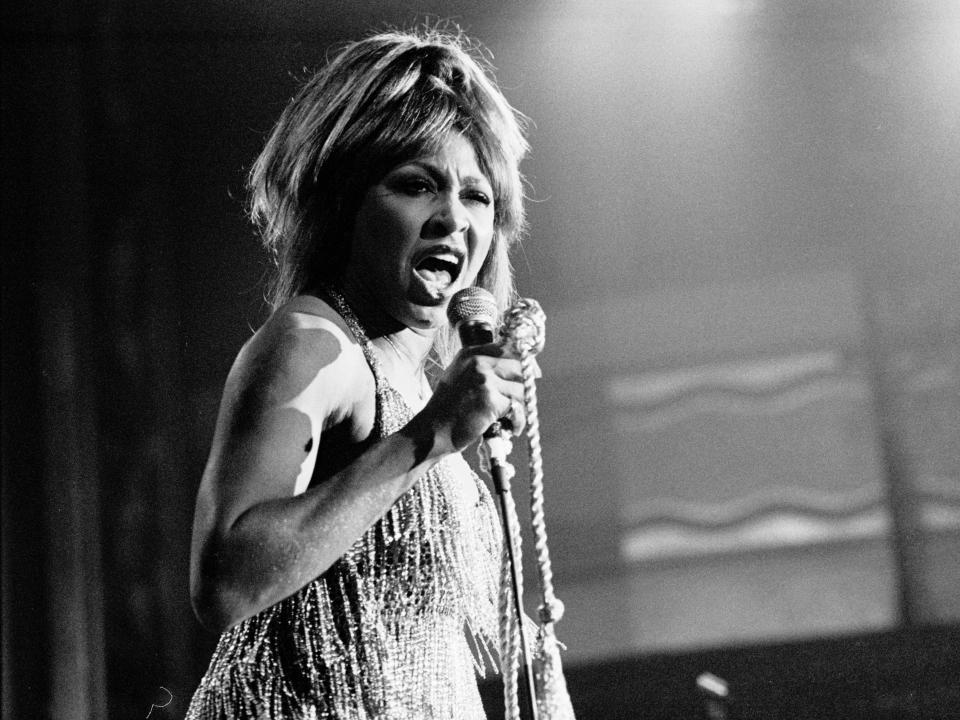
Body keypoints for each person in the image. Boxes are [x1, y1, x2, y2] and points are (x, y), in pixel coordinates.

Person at [185, 28, 530, 720]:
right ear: (346, 203)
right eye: (416, 185)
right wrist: (429, 436)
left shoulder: (422, 384)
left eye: (477, 197)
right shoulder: (314, 343)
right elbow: (225, 579)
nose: (452, 220)